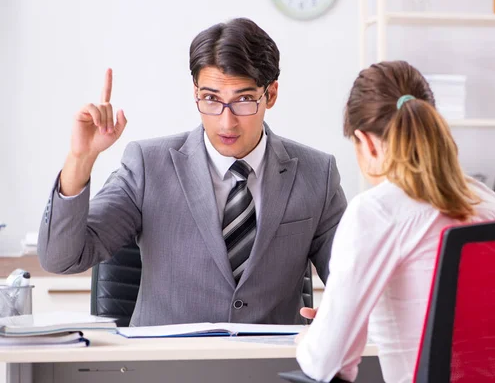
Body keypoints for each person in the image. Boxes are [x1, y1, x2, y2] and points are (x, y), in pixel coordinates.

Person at [37, 18, 347, 327]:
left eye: (243, 100)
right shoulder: (148, 165)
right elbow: (62, 258)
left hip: (270, 366)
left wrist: (345, 310)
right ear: (195, 92)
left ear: (272, 94)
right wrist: (81, 158)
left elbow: (350, 276)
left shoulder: (317, 174)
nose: (226, 123)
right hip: (168, 367)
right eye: (211, 99)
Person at [295, 60, 495, 382]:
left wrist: (313, 338)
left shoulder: (376, 211)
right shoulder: (490, 203)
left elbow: (328, 363)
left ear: (365, 142)